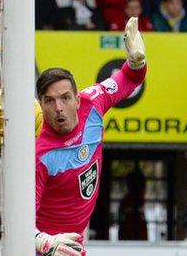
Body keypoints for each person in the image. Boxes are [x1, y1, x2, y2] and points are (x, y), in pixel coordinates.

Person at [33, 17, 146, 255]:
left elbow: (129, 79)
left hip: (76, 245)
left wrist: (136, 63)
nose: (59, 107)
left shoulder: (93, 102)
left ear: (77, 98)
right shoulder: (39, 154)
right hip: (49, 249)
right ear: (41, 105)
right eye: (50, 101)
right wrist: (41, 241)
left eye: (65, 97)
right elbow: (19, 217)